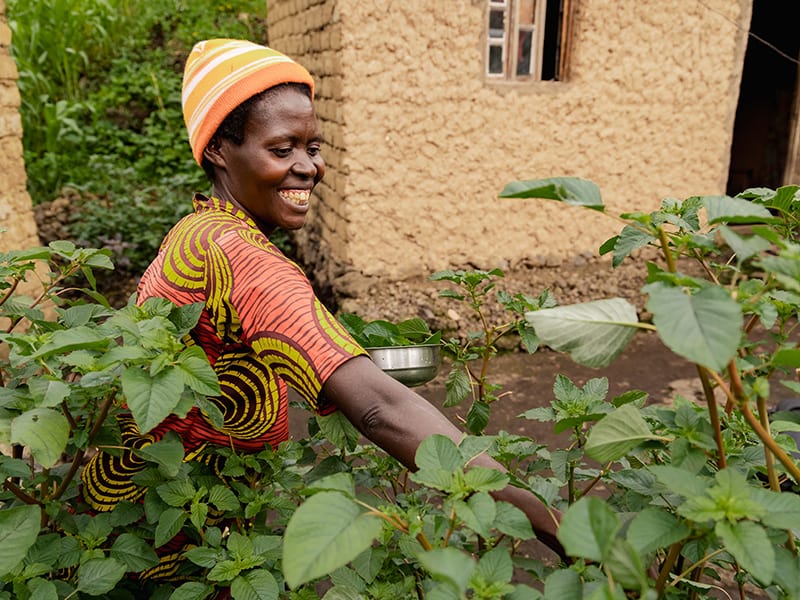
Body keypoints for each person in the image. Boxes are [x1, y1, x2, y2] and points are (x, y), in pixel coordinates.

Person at [81, 38, 564, 584]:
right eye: (282, 149)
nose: (309, 167)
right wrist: (550, 521)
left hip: (133, 515)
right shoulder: (241, 257)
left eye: (312, 147)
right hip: (172, 551)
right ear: (218, 149)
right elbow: (380, 409)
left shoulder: (199, 231)